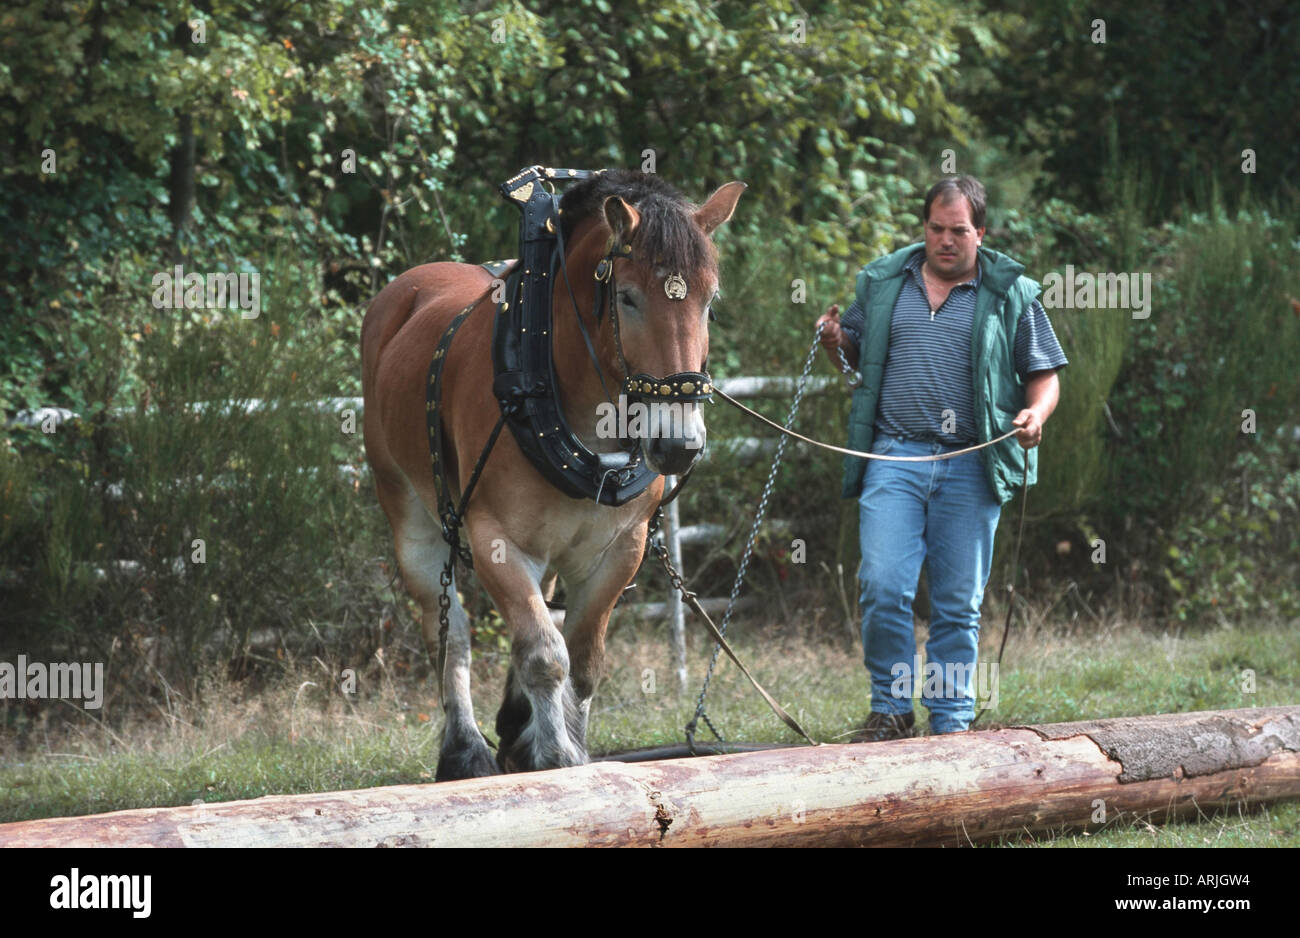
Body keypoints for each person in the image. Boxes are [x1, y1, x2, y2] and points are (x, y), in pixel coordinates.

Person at [816, 176, 1068, 740]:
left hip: (972, 464)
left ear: (981, 231)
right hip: (895, 456)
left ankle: (950, 724)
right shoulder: (885, 283)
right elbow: (855, 356)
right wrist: (835, 340)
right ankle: (891, 709)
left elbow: (1045, 377)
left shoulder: (1011, 293)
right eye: (936, 228)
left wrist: (1036, 415)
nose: (946, 240)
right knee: (883, 586)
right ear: (923, 228)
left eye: (959, 230)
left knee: (957, 604)